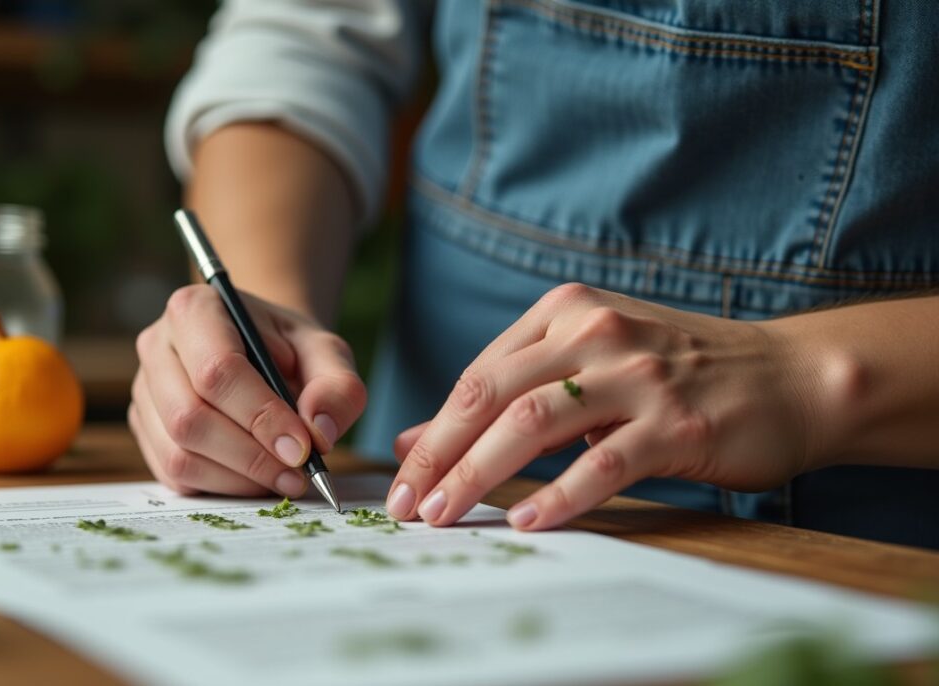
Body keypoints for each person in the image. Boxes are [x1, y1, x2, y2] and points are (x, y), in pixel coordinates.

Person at [129, 1, 939, 549]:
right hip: (439, 498)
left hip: (885, 529)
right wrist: (262, 326)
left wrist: (806, 380)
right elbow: (302, 39)